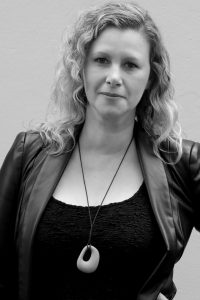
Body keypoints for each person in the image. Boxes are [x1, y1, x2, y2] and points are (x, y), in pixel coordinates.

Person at [0, 1, 199, 299]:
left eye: (130, 64)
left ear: (151, 78)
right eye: (102, 60)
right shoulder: (28, 153)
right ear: (81, 68)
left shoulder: (183, 163)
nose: (114, 76)